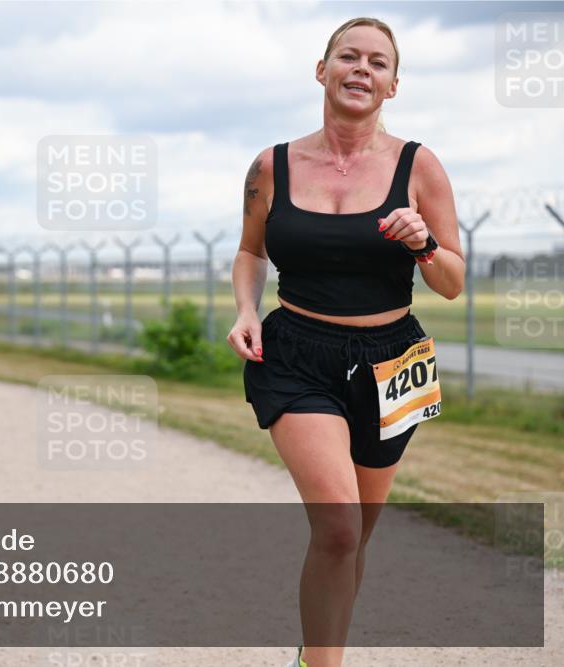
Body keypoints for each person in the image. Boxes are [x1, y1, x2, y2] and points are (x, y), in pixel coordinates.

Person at [225, 18, 464, 667]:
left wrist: (423, 243)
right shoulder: (271, 164)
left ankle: (315, 649)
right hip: (296, 354)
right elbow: (250, 251)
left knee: (356, 538)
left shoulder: (420, 166)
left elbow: (452, 281)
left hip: (395, 361)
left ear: (393, 84)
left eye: (378, 62)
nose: (362, 69)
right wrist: (246, 308)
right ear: (322, 69)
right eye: (349, 56)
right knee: (337, 525)